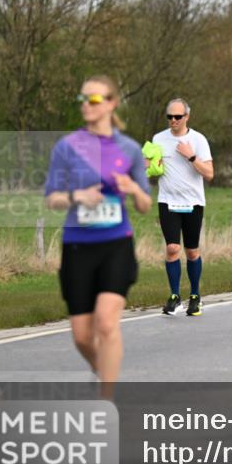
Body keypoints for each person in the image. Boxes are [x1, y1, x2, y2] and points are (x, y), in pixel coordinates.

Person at [44, 76, 151, 398]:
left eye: (94, 99)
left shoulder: (129, 149)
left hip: (116, 245)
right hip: (78, 247)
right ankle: (102, 369)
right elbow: (52, 198)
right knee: (81, 335)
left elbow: (145, 204)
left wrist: (132, 188)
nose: (86, 105)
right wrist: (78, 197)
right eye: (83, 98)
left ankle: (107, 399)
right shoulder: (67, 147)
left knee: (106, 322)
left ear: (111, 103)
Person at [148, 99, 214, 317]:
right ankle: (175, 296)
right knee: (172, 249)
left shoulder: (198, 140)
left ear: (187, 116)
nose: (173, 121)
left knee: (192, 251)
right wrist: (150, 167)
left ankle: (195, 296)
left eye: (177, 117)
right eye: (170, 117)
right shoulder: (158, 139)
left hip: (193, 202)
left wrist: (191, 156)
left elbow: (209, 174)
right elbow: (152, 167)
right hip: (168, 201)